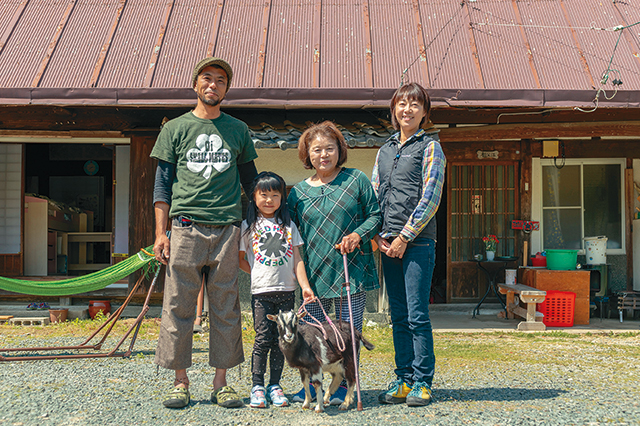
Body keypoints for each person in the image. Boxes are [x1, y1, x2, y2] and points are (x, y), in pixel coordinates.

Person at [151, 57, 258, 409]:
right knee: (178, 305)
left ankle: (221, 382)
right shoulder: (175, 129)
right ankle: (179, 381)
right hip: (185, 228)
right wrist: (160, 233)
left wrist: (256, 226)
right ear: (196, 84)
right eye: (207, 78)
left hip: (228, 228)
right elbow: (162, 186)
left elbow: (250, 181)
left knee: (226, 306)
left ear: (227, 89)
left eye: (221, 81)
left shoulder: (238, 130)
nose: (213, 85)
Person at [287, 120, 381, 404]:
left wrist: (357, 234)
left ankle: (344, 386)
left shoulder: (356, 180)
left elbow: (375, 216)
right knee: (312, 337)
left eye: (330, 148)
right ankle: (312, 388)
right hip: (313, 275)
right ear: (307, 154)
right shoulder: (297, 193)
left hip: (349, 269)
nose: (323, 155)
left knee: (346, 335)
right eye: (316, 150)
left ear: (340, 150)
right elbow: (290, 234)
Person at [372, 82, 446, 406]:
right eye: (402, 104)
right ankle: (403, 378)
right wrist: (376, 233)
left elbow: (431, 196)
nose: (408, 109)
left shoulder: (430, 147)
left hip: (416, 244)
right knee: (397, 315)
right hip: (387, 244)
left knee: (417, 315)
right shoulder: (385, 149)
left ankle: (422, 381)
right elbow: (375, 194)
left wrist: (405, 236)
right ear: (393, 110)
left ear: (424, 113)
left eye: (415, 104)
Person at [239, 171, 315, 408]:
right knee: (262, 339)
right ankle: (257, 386)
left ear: (283, 198)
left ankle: (275, 385)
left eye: (275, 194)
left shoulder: (289, 226)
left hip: (287, 292)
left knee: (283, 340)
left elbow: (297, 260)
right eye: (264, 195)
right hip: (261, 293)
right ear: (254, 197)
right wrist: (259, 274)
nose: (269, 200)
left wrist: (305, 287)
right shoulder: (248, 226)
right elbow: (239, 259)